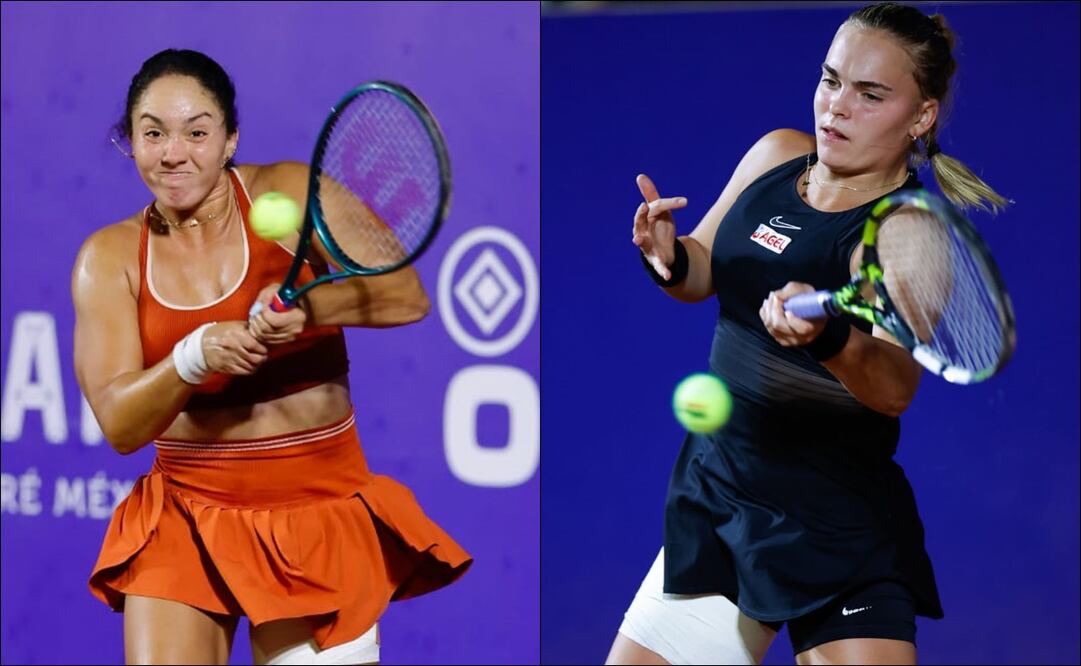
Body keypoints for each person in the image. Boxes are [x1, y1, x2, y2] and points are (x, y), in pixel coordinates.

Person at [606, 3, 1008, 665]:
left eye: (869, 94)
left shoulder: (906, 234)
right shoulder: (774, 154)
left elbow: (893, 384)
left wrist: (825, 340)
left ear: (921, 115)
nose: (836, 107)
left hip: (834, 525)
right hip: (721, 496)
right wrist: (667, 256)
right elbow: (701, 270)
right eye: (830, 80)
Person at [73, 49, 471, 665]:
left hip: (315, 512)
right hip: (185, 514)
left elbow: (406, 296)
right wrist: (191, 358)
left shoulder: (286, 192)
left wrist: (311, 312)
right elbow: (120, 425)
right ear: (132, 142)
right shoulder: (109, 257)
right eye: (152, 133)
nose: (173, 153)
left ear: (230, 139)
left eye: (197, 132)